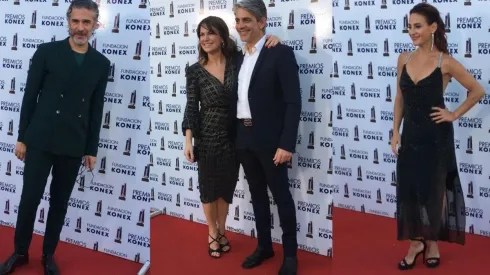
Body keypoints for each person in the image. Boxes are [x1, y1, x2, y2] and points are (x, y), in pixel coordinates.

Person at [0, 1, 110, 274]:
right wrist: (22, 137)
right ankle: (20, 251)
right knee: (29, 200)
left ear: (95, 24)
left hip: (73, 143)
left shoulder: (100, 63)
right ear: (68, 21)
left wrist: (91, 149)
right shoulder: (46, 52)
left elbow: (97, 109)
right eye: (76, 21)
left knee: (59, 204)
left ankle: (48, 255)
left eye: (87, 22)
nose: (80, 28)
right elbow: (29, 97)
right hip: (40, 139)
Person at [392, 3, 485, 271]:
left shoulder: (447, 62)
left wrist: (454, 114)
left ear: (433, 27)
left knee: (435, 192)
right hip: (410, 136)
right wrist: (394, 132)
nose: (412, 31)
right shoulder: (404, 59)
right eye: (409, 26)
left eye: (418, 26)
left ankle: (431, 242)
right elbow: (399, 97)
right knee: (408, 190)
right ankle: (415, 242)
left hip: (436, 137)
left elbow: (477, 91)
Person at [182, 16, 281, 259]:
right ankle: (212, 233)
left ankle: (223, 230)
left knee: (226, 188)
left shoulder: (238, 60)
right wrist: (188, 140)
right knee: (208, 188)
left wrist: (274, 39)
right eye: (201, 34)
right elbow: (192, 107)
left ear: (222, 36)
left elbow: (259, 51)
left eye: (211, 33)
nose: (205, 39)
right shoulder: (194, 71)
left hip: (234, 135)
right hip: (207, 136)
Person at [231, 1, 301, 274]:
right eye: (237, 20)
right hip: (243, 137)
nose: (240, 26)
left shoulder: (280, 53)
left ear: (262, 21)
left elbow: (293, 103)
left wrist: (286, 143)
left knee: (282, 197)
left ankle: (291, 256)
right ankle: (264, 246)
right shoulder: (239, 56)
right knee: (257, 195)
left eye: (246, 20)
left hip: (272, 141)